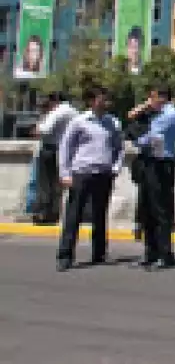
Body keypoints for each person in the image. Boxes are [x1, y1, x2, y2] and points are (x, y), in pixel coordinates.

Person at [56, 86, 124, 272]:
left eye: (106, 98)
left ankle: (99, 252)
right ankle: (65, 255)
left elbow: (119, 147)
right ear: (92, 101)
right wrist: (65, 173)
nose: (105, 102)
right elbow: (65, 148)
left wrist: (116, 167)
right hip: (82, 172)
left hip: (104, 173)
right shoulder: (79, 121)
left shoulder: (113, 123)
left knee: (100, 214)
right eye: (101, 98)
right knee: (74, 215)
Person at [128, 87, 175, 270]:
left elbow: (152, 137)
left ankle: (164, 253)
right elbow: (131, 117)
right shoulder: (156, 112)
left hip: (161, 164)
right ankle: (150, 252)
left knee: (160, 211)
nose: (149, 101)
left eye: (152, 98)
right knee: (147, 210)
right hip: (150, 162)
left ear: (162, 98)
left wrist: (136, 139)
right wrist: (144, 108)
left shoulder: (170, 114)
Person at [32, 93, 78, 225]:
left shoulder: (58, 112)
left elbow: (43, 130)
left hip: (50, 149)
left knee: (46, 183)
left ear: (54, 101)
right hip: (65, 150)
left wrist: (38, 125)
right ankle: (54, 212)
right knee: (58, 185)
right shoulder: (73, 111)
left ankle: (45, 214)